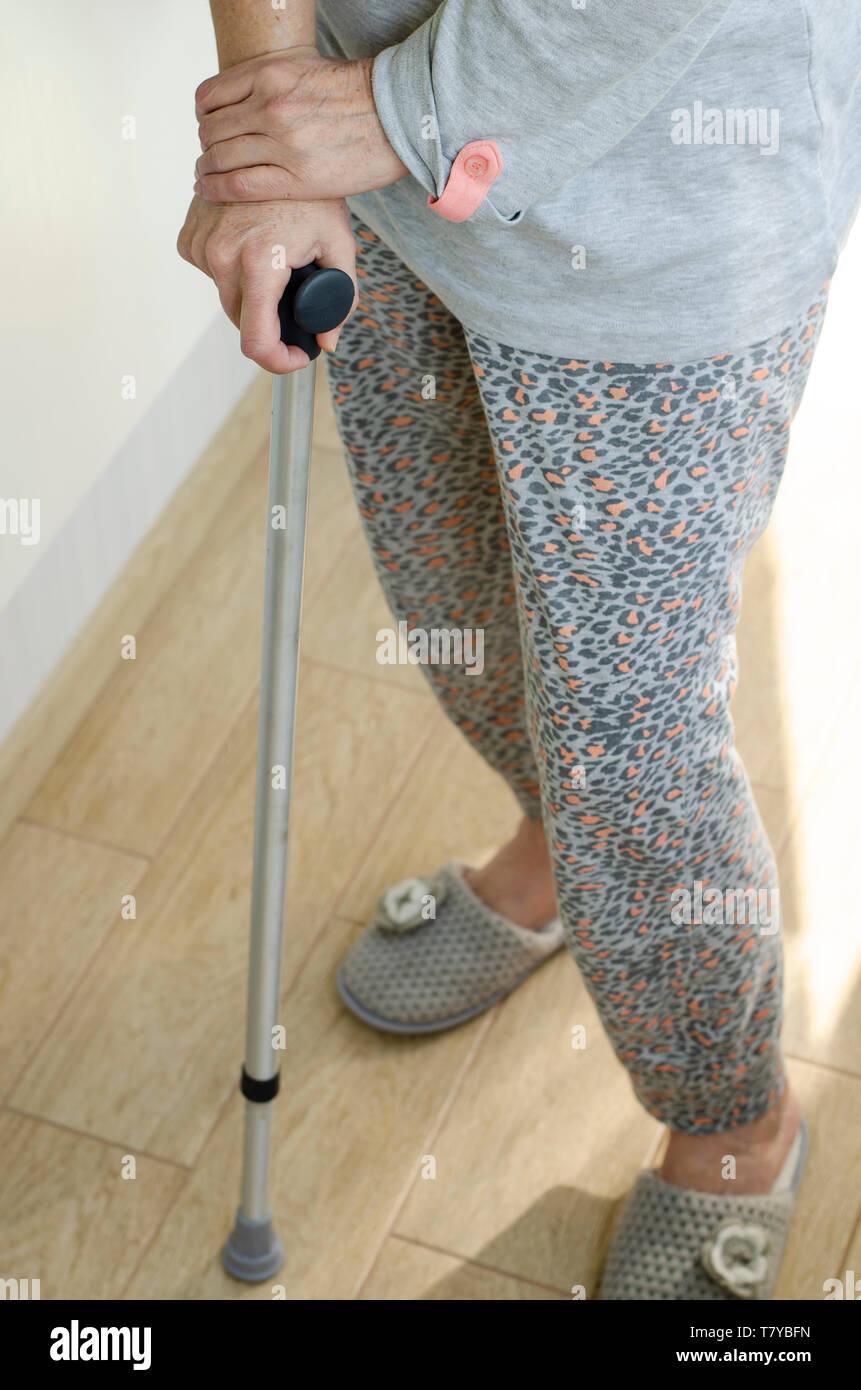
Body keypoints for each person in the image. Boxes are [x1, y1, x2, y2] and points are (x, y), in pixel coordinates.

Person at [178, 0, 860, 1300]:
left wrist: (389, 108)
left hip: (660, 209)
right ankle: (558, 849)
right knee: (453, 588)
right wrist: (274, 88)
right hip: (371, 176)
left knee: (627, 741)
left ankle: (730, 1125)